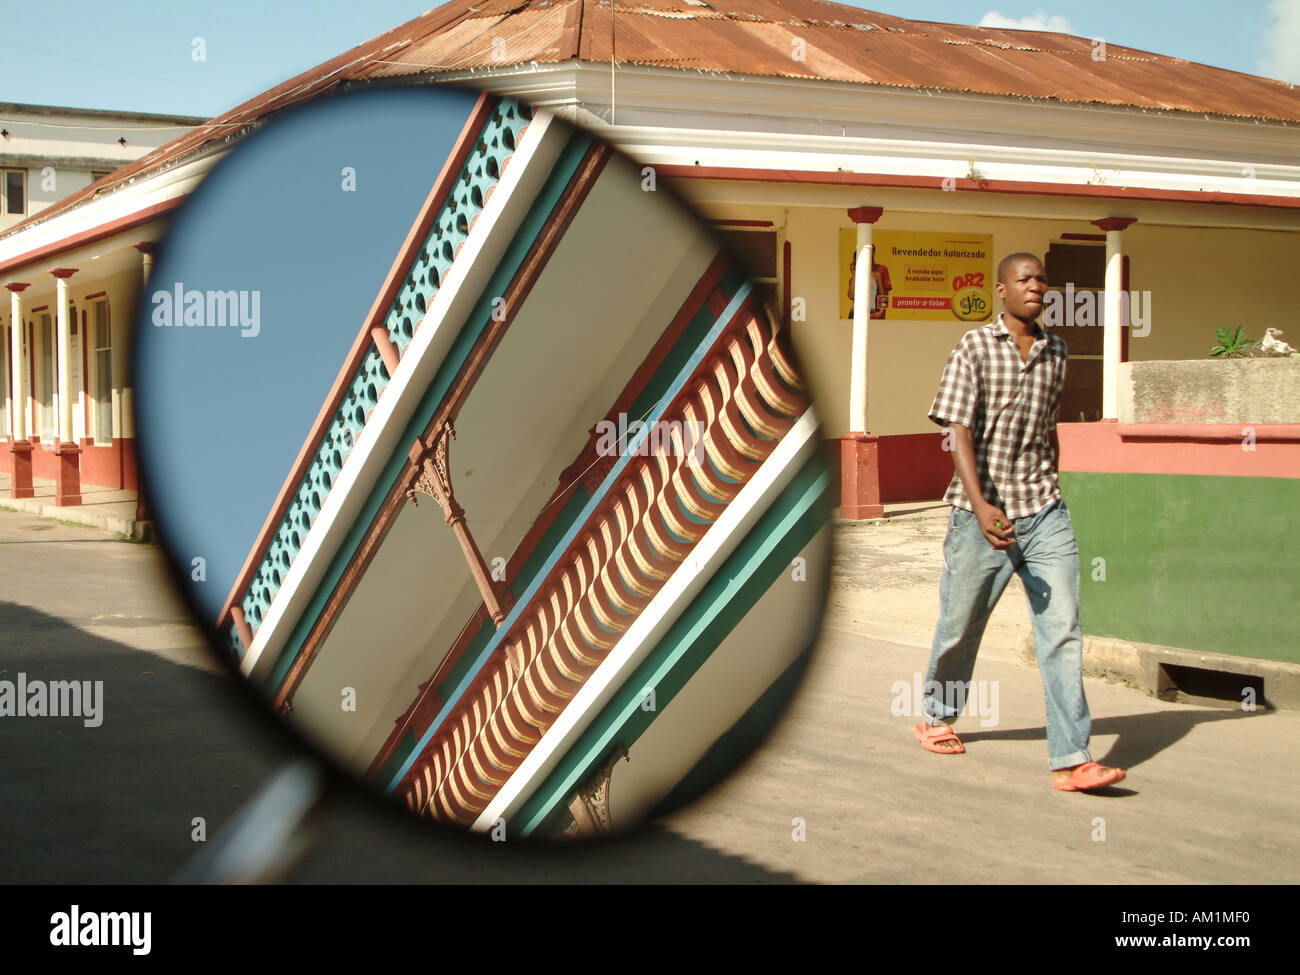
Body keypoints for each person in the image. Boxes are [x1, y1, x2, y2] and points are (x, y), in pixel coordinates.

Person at [918, 252, 1126, 792]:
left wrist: (1054, 485)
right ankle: (937, 715)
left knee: (1061, 629)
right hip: (979, 515)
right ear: (1001, 291)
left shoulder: (1057, 350)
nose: (1036, 286)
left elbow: (1047, 427)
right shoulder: (974, 346)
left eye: (1041, 279)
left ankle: (1071, 758)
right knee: (959, 627)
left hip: (1044, 511)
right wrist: (982, 503)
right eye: (1024, 279)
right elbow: (957, 431)